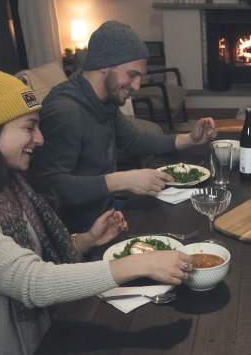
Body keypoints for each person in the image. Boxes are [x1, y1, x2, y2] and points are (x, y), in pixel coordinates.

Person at [0, 52, 194, 355]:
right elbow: (31, 281)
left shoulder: (10, 186)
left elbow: (27, 256)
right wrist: (139, 263)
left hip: (47, 345)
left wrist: (85, 240)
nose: (39, 139)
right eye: (28, 126)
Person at [32, 20, 216, 232]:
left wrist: (190, 139)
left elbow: (133, 140)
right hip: (83, 234)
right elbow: (52, 187)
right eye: (132, 75)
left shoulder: (103, 98)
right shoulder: (66, 111)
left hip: (109, 213)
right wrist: (121, 180)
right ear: (104, 65)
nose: (137, 86)